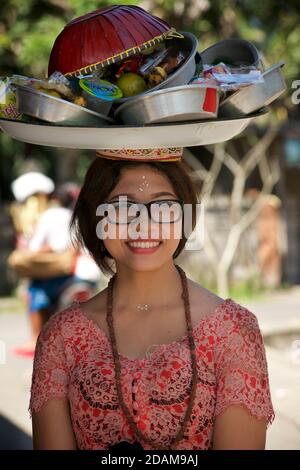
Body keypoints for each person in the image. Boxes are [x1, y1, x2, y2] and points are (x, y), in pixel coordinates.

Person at [29, 148, 275, 450]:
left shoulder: (234, 331)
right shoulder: (61, 337)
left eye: (163, 208)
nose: (144, 224)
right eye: (121, 208)